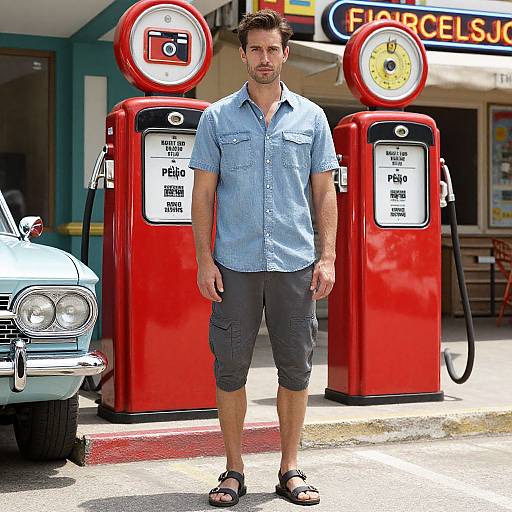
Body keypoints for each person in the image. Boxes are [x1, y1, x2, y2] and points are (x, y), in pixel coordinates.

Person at [189, 9, 338, 507]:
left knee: (295, 368)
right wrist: (204, 260)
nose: (265, 58)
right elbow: (204, 195)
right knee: (230, 368)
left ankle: (290, 468)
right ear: (244, 55)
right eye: (256, 49)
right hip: (233, 265)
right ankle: (233, 470)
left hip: (295, 262)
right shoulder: (217, 117)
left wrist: (328, 256)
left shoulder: (313, 118)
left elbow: (324, 194)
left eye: (273, 49)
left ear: (285, 53)